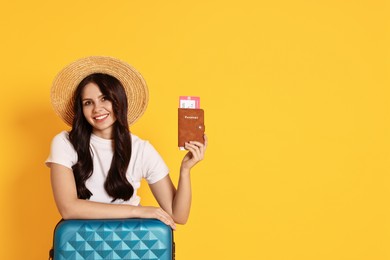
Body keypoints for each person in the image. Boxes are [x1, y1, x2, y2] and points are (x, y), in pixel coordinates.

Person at [46, 56, 207, 230]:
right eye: (88, 103)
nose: (97, 109)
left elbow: (178, 216)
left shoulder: (141, 149)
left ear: (118, 101)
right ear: (81, 109)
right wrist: (137, 211)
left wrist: (185, 170)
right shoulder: (64, 143)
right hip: (81, 246)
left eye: (104, 98)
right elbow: (68, 209)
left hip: (130, 243)